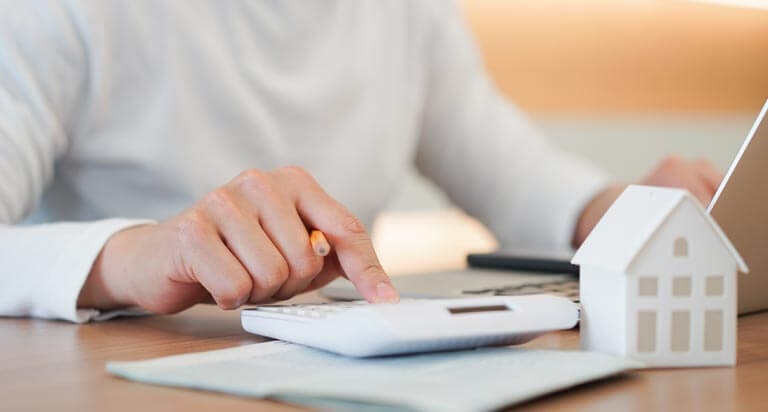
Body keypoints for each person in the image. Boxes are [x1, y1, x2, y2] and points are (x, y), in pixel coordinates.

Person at [0, 1, 722, 323]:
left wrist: (623, 212)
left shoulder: (403, 11)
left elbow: (509, 167)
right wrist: (131, 257)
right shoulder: (64, 12)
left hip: (330, 370)